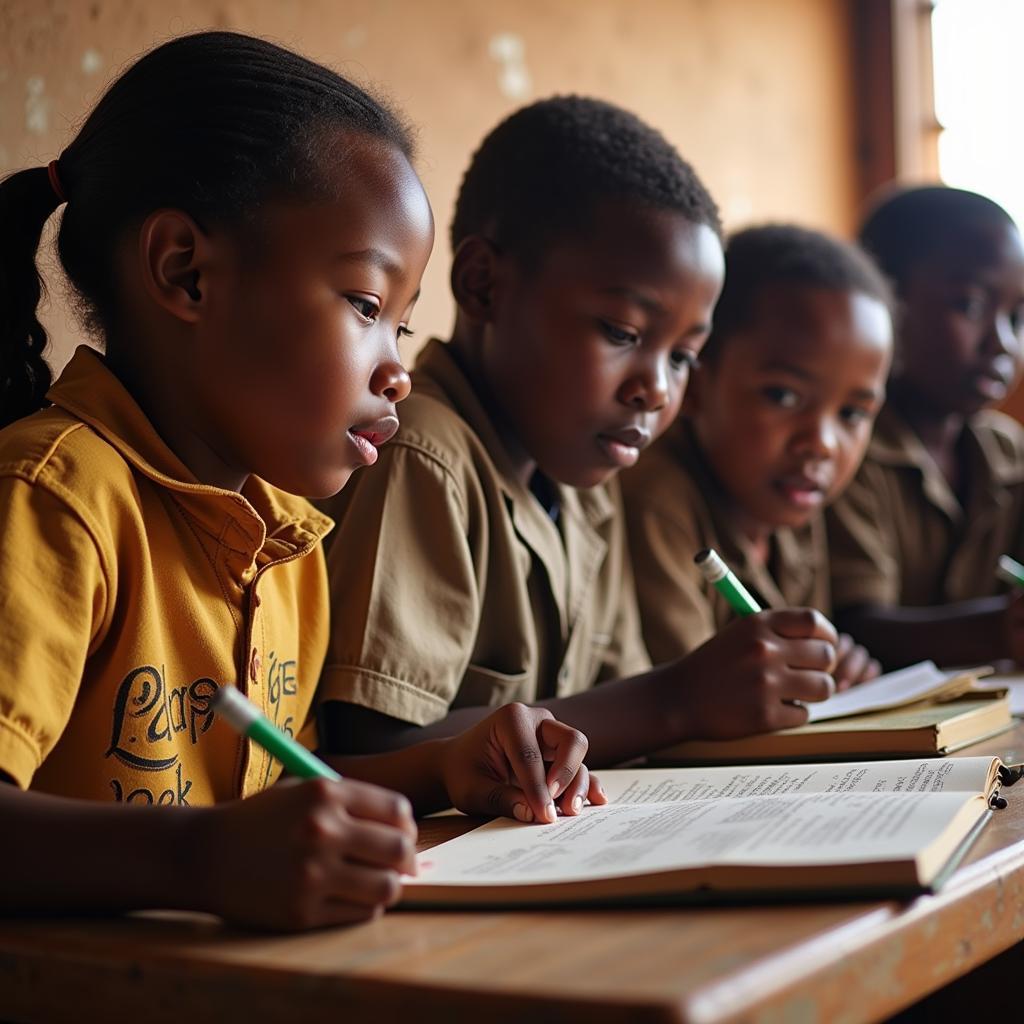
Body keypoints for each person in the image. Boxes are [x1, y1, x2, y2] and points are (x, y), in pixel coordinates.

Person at [0, 31, 599, 933]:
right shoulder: (53, 501)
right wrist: (199, 860)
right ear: (186, 273)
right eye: (367, 305)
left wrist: (443, 769)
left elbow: (276, 796)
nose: (397, 370)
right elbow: (223, 842)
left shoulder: (286, 539)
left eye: (402, 326)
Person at [319, 97, 840, 768]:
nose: (656, 388)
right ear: (483, 286)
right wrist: (676, 700)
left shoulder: (585, 484)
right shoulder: (422, 454)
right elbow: (368, 749)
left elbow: (607, 709)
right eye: (623, 333)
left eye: (683, 356)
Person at [622, 225, 892, 689]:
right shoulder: (657, 500)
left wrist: (831, 670)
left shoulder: (791, 508)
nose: (822, 443)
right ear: (697, 384)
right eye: (783, 396)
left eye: (852, 413)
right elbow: (695, 703)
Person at [827, 186, 1024, 668]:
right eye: (971, 306)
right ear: (887, 302)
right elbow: (855, 627)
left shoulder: (1007, 453)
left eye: (1017, 317)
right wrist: (1002, 630)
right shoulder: (845, 448)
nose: (1001, 342)